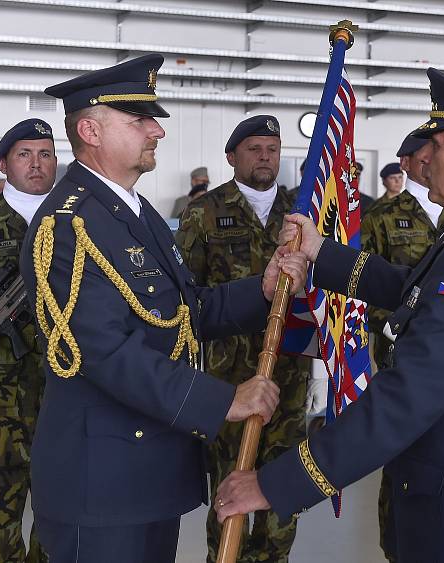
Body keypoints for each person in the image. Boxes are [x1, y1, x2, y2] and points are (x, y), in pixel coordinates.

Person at [214, 67, 444, 563]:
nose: (422, 160)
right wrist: (321, 253)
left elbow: (409, 395)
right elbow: (410, 290)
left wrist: (276, 483)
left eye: (435, 148)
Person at [17, 54, 306, 563]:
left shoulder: (131, 209)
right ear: (90, 129)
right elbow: (106, 352)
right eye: (139, 120)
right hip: (102, 483)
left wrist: (260, 291)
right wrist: (222, 402)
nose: (157, 131)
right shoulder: (68, 225)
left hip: (147, 473)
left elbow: (181, 311)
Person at [176, 114, 311, 563]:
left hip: (288, 380)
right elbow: (186, 300)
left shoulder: (303, 214)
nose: (265, 156)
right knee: (229, 495)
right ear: (232, 156)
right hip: (228, 384)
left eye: (272, 148)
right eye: (254, 149)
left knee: (282, 500)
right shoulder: (203, 212)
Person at [0, 118, 57, 563]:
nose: (36, 164)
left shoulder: (77, 223)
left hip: (64, 398)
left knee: (57, 516)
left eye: (45, 154)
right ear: (4, 163)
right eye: (25, 154)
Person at [360, 131, 444, 562]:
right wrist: (393, 325)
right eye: (427, 156)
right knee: (401, 452)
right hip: (400, 354)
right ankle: (397, 545)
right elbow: (361, 286)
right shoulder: (381, 215)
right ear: (408, 161)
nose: (433, 163)